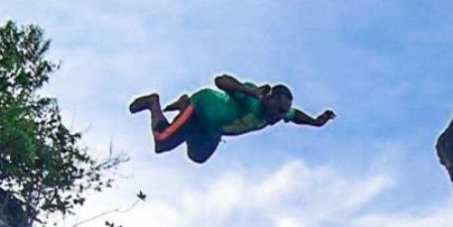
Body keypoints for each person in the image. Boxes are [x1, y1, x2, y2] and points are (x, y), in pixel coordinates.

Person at [129, 74, 335, 164]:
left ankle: (182, 105)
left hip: (212, 130)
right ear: (268, 99)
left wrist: (316, 122)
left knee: (197, 157)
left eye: (282, 113)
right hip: (201, 108)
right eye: (276, 109)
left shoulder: (279, 114)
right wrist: (247, 91)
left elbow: (295, 115)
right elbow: (220, 80)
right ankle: (153, 102)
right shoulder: (253, 100)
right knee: (162, 142)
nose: (277, 117)